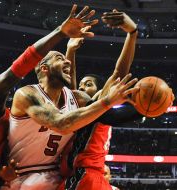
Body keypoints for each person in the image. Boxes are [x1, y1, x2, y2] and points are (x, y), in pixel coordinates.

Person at [0, 4, 99, 190]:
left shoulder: (3, 115)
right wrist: (60, 32)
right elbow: (16, 70)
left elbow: (70, 103)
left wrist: (4, 173)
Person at [3, 6, 139, 190]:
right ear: (44, 68)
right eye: (59, 59)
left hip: (55, 175)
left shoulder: (76, 98)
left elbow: (116, 78)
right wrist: (108, 101)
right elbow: (61, 123)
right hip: (21, 176)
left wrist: (132, 33)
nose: (66, 61)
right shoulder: (27, 94)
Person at [57, 9, 139, 190]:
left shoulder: (98, 106)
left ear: (100, 92)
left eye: (88, 85)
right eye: (81, 84)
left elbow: (119, 72)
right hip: (75, 175)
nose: (81, 87)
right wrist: (70, 50)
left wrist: (132, 34)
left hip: (86, 176)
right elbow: (71, 88)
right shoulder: (81, 108)